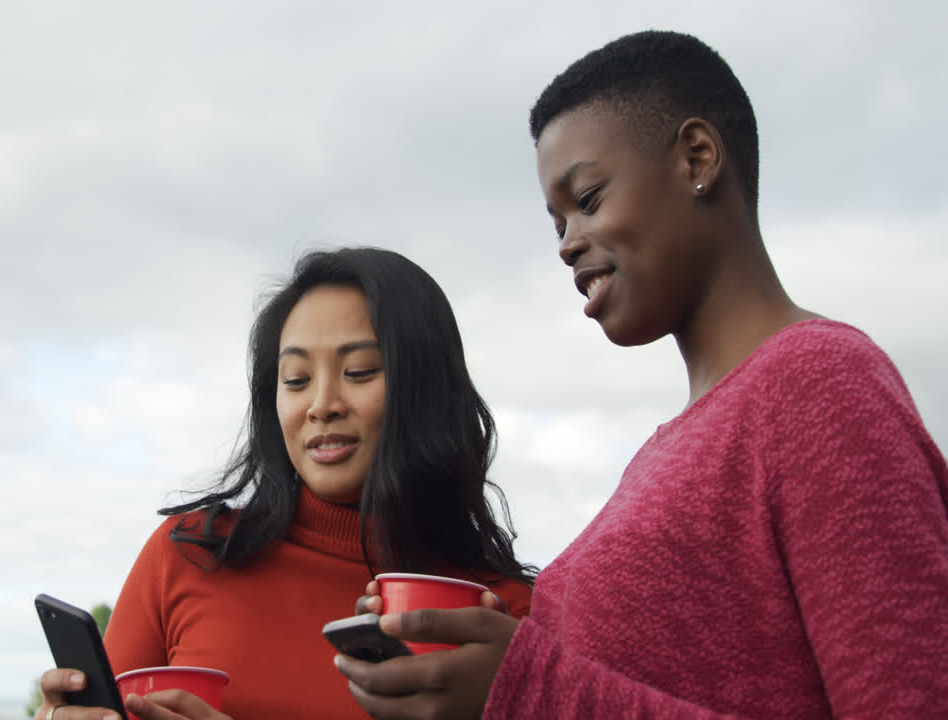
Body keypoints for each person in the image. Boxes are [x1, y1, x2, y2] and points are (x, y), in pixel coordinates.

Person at [335, 30, 948, 719]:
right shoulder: (663, 454)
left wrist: (529, 689)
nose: (567, 244)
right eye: (557, 220)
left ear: (697, 158)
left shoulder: (822, 384)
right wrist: (468, 655)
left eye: (589, 198)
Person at [35, 247, 537, 720]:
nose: (322, 404)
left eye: (359, 371)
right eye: (296, 379)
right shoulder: (188, 554)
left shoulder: (498, 616)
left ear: (427, 389)